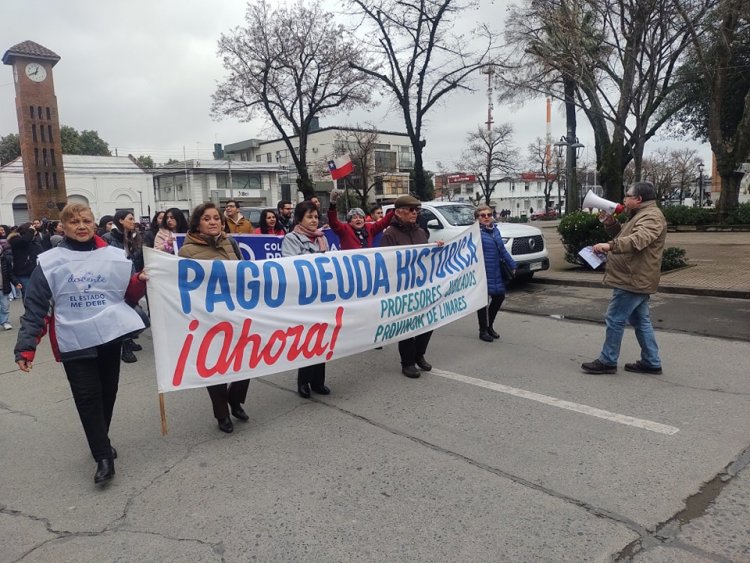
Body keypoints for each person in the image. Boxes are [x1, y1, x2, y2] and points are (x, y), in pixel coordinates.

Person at [14, 203, 147, 485]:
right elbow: (36, 306)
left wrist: (140, 281)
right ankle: (103, 456)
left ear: (95, 223)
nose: (81, 226)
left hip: (108, 337)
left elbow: (127, 296)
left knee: (107, 393)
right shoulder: (50, 261)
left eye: (86, 220)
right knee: (88, 397)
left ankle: (101, 439)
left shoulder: (113, 256)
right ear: (64, 226)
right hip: (73, 340)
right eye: (74, 222)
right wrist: (26, 346)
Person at [581, 181, 667, 375]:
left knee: (614, 318)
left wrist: (610, 245)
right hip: (636, 276)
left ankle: (608, 360)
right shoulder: (640, 214)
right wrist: (611, 224)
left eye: (628, 195)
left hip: (633, 278)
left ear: (638, 199)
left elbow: (638, 240)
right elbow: (625, 235)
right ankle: (651, 361)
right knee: (640, 320)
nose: (624, 199)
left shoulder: (651, 217)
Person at [178, 202, 250, 433]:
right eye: (207, 218)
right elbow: (181, 285)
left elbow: (244, 272)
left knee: (246, 358)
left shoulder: (232, 243)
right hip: (208, 318)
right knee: (215, 366)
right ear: (197, 223)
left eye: (216, 218)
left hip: (237, 312)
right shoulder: (186, 252)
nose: (213, 222)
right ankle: (222, 413)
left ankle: (235, 400)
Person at [380, 195, 444, 378]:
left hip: (423, 286)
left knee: (428, 322)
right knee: (407, 326)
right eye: (411, 210)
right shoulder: (390, 234)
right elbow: (386, 264)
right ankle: (407, 362)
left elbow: (427, 256)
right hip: (403, 288)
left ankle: (419, 355)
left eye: (417, 210)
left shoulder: (421, 232)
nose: (415, 213)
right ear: (399, 212)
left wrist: (437, 248)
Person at [281, 201, 331, 398]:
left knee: (323, 339)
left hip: (323, 297)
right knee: (308, 340)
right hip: (304, 298)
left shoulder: (322, 238)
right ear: (299, 219)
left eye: (316, 217)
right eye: (309, 217)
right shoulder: (291, 239)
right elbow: (290, 266)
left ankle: (319, 381)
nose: (314, 221)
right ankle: (304, 381)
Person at [102, 210, 145, 363]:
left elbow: (138, 257)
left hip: (133, 279)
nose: (134, 221)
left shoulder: (134, 237)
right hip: (117, 282)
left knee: (133, 311)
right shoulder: (109, 238)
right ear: (121, 220)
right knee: (124, 314)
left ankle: (130, 340)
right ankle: (125, 347)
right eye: (130, 219)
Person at [475, 205, 516, 342]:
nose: (486, 217)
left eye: (489, 214)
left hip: (496, 270)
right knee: (482, 302)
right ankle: (483, 330)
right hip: (482, 272)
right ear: (477, 218)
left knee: (499, 297)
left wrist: (512, 264)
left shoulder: (495, 231)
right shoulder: (474, 234)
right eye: (483, 215)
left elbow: (502, 250)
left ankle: (489, 325)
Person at [327, 191, 394, 250]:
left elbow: (383, 222)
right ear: (349, 221)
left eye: (361, 217)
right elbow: (333, 222)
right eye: (355, 217)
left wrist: (395, 210)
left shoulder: (369, 228)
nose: (358, 219)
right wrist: (332, 204)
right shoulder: (344, 229)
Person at [9, 222, 43, 304]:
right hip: (23, 273)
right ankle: (29, 314)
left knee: (38, 295)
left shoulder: (34, 242)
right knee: (28, 295)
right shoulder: (15, 240)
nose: (34, 231)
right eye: (32, 230)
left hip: (35, 272)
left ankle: (38, 314)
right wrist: (30, 231)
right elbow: (25, 240)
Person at [1, 243, 21, 330]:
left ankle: (5, 322)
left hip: (3, 287)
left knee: (5, 306)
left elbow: (10, 273)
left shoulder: (4, 260)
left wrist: (16, 282)